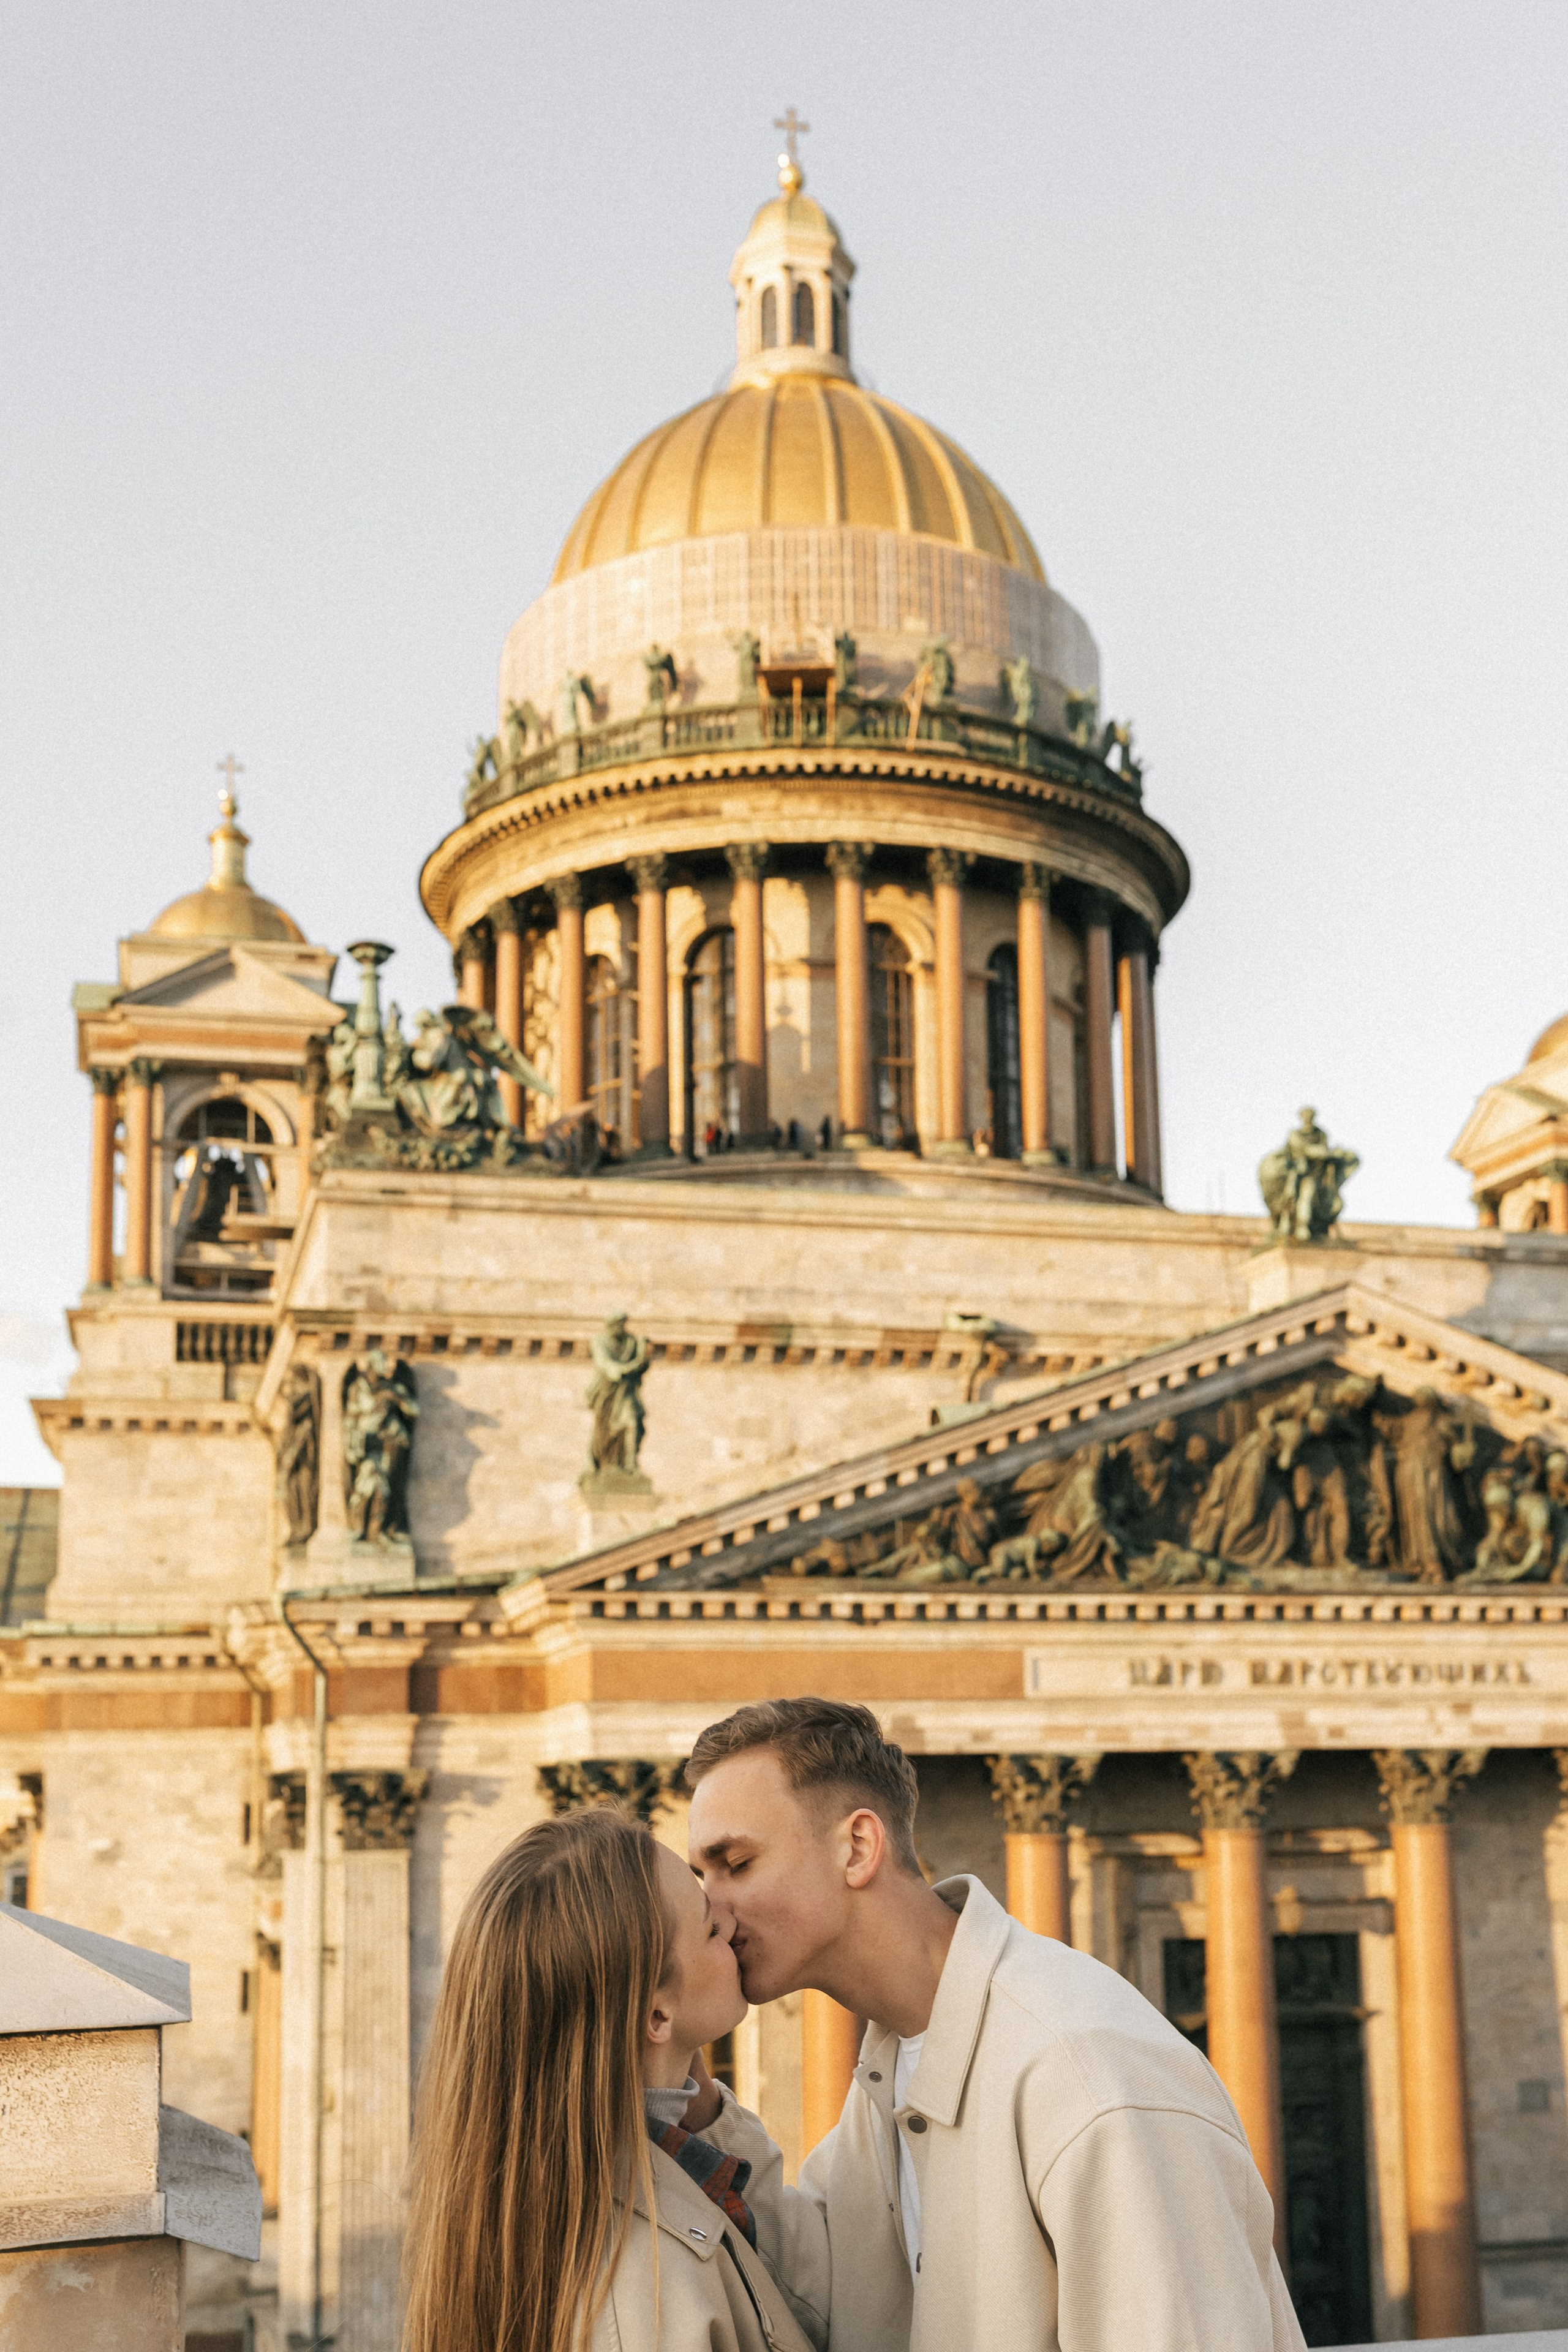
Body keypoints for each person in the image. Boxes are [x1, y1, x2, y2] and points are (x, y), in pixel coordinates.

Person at [684, 1697, 1305, 2352]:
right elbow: (829, 2286)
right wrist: (691, 2100)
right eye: (702, 1874)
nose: (712, 1910)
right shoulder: (900, 2059)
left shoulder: (1087, 2074)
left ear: (858, 1847)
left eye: (737, 1865)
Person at [402, 1807, 821, 2352]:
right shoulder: (644, 2298)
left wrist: (698, 2099)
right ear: (656, 2017)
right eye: (711, 1928)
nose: (732, 1917)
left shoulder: (547, 2202)